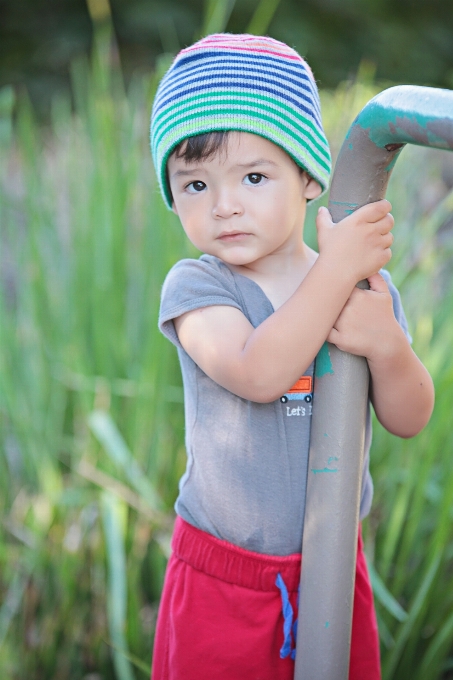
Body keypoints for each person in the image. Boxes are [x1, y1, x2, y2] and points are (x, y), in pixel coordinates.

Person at [149, 33, 434, 680]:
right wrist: (336, 272)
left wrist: (385, 343)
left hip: (333, 564)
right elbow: (257, 373)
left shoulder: (358, 287)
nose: (223, 205)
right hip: (226, 578)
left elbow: (409, 415)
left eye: (252, 176)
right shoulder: (199, 288)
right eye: (193, 183)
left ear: (307, 176)